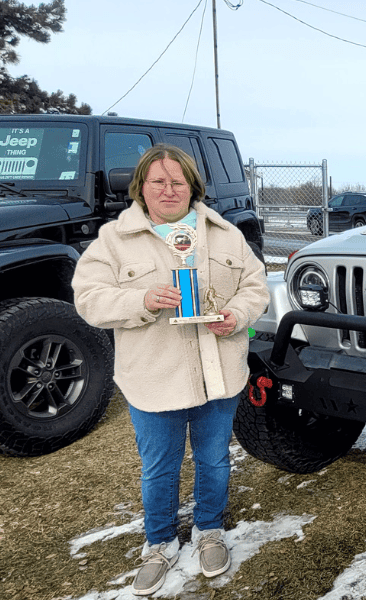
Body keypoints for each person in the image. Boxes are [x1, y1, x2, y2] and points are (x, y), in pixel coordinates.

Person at [72, 144, 269, 596]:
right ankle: (159, 544)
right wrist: (139, 300)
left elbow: (254, 287)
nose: (168, 189)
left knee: (214, 459)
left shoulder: (224, 234)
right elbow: (88, 299)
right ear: (140, 187)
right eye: (157, 181)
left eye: (177, 181)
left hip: (218, 373)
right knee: (159, 467)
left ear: (192, 187)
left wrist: (237, 315)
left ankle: (209, 531)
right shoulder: (113, 241)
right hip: (153, 378)